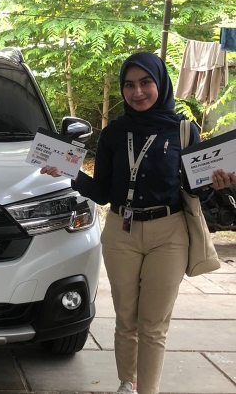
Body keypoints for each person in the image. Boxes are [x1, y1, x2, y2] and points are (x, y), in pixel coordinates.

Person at [41, 51, 236, 394]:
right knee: (126, 318)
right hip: (121, 232)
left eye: (145, 82)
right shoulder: (114, 133)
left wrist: (213, 184)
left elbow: (194, 190)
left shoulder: (183, 130)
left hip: (169, 233)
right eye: (129, 85)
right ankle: (126, 384)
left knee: (153, 324)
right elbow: (102, 193)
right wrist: (69, 174)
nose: (137, 92)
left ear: (160, 83)